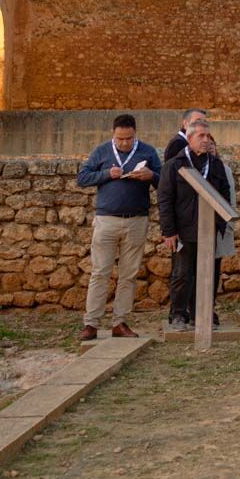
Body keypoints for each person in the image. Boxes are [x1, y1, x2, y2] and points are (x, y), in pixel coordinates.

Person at [75, 113, 160, 341]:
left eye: (128, 139)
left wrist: (151, 175)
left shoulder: (148, 152)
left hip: (136, 220)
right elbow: (82, 178)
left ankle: (120, 322)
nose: (124, 143)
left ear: (135, 134)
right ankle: (91, 323)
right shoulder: (101, 151)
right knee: (100, 272)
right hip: (107, 220)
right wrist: (106, 174)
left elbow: (164, 181)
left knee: (128, 275)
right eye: (120, 139)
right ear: (113, 134)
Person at [157, 117, 236, 332]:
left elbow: (224, 194)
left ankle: (201, 313)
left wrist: (219, 224)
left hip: (209, 230)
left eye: (208, 136)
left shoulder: (216, 165)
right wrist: (169, 231)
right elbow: (165, 200)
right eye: (201, 136)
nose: (206, 140)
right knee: (182, 274)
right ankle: (178, 314)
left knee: (207, 274)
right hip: (183, 230)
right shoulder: (174, 165)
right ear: (190, 138)